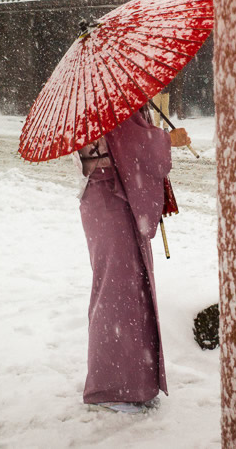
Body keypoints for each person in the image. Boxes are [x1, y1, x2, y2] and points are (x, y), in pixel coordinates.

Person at [76, 103, 191, 413]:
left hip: (107, 199)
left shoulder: (100, 97)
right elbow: (139, 146)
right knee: (119, 292)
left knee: (121, 290)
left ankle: (128, 382)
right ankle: (113, 387)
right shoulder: (110, 101)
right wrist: (168, 139)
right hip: (111, 199)